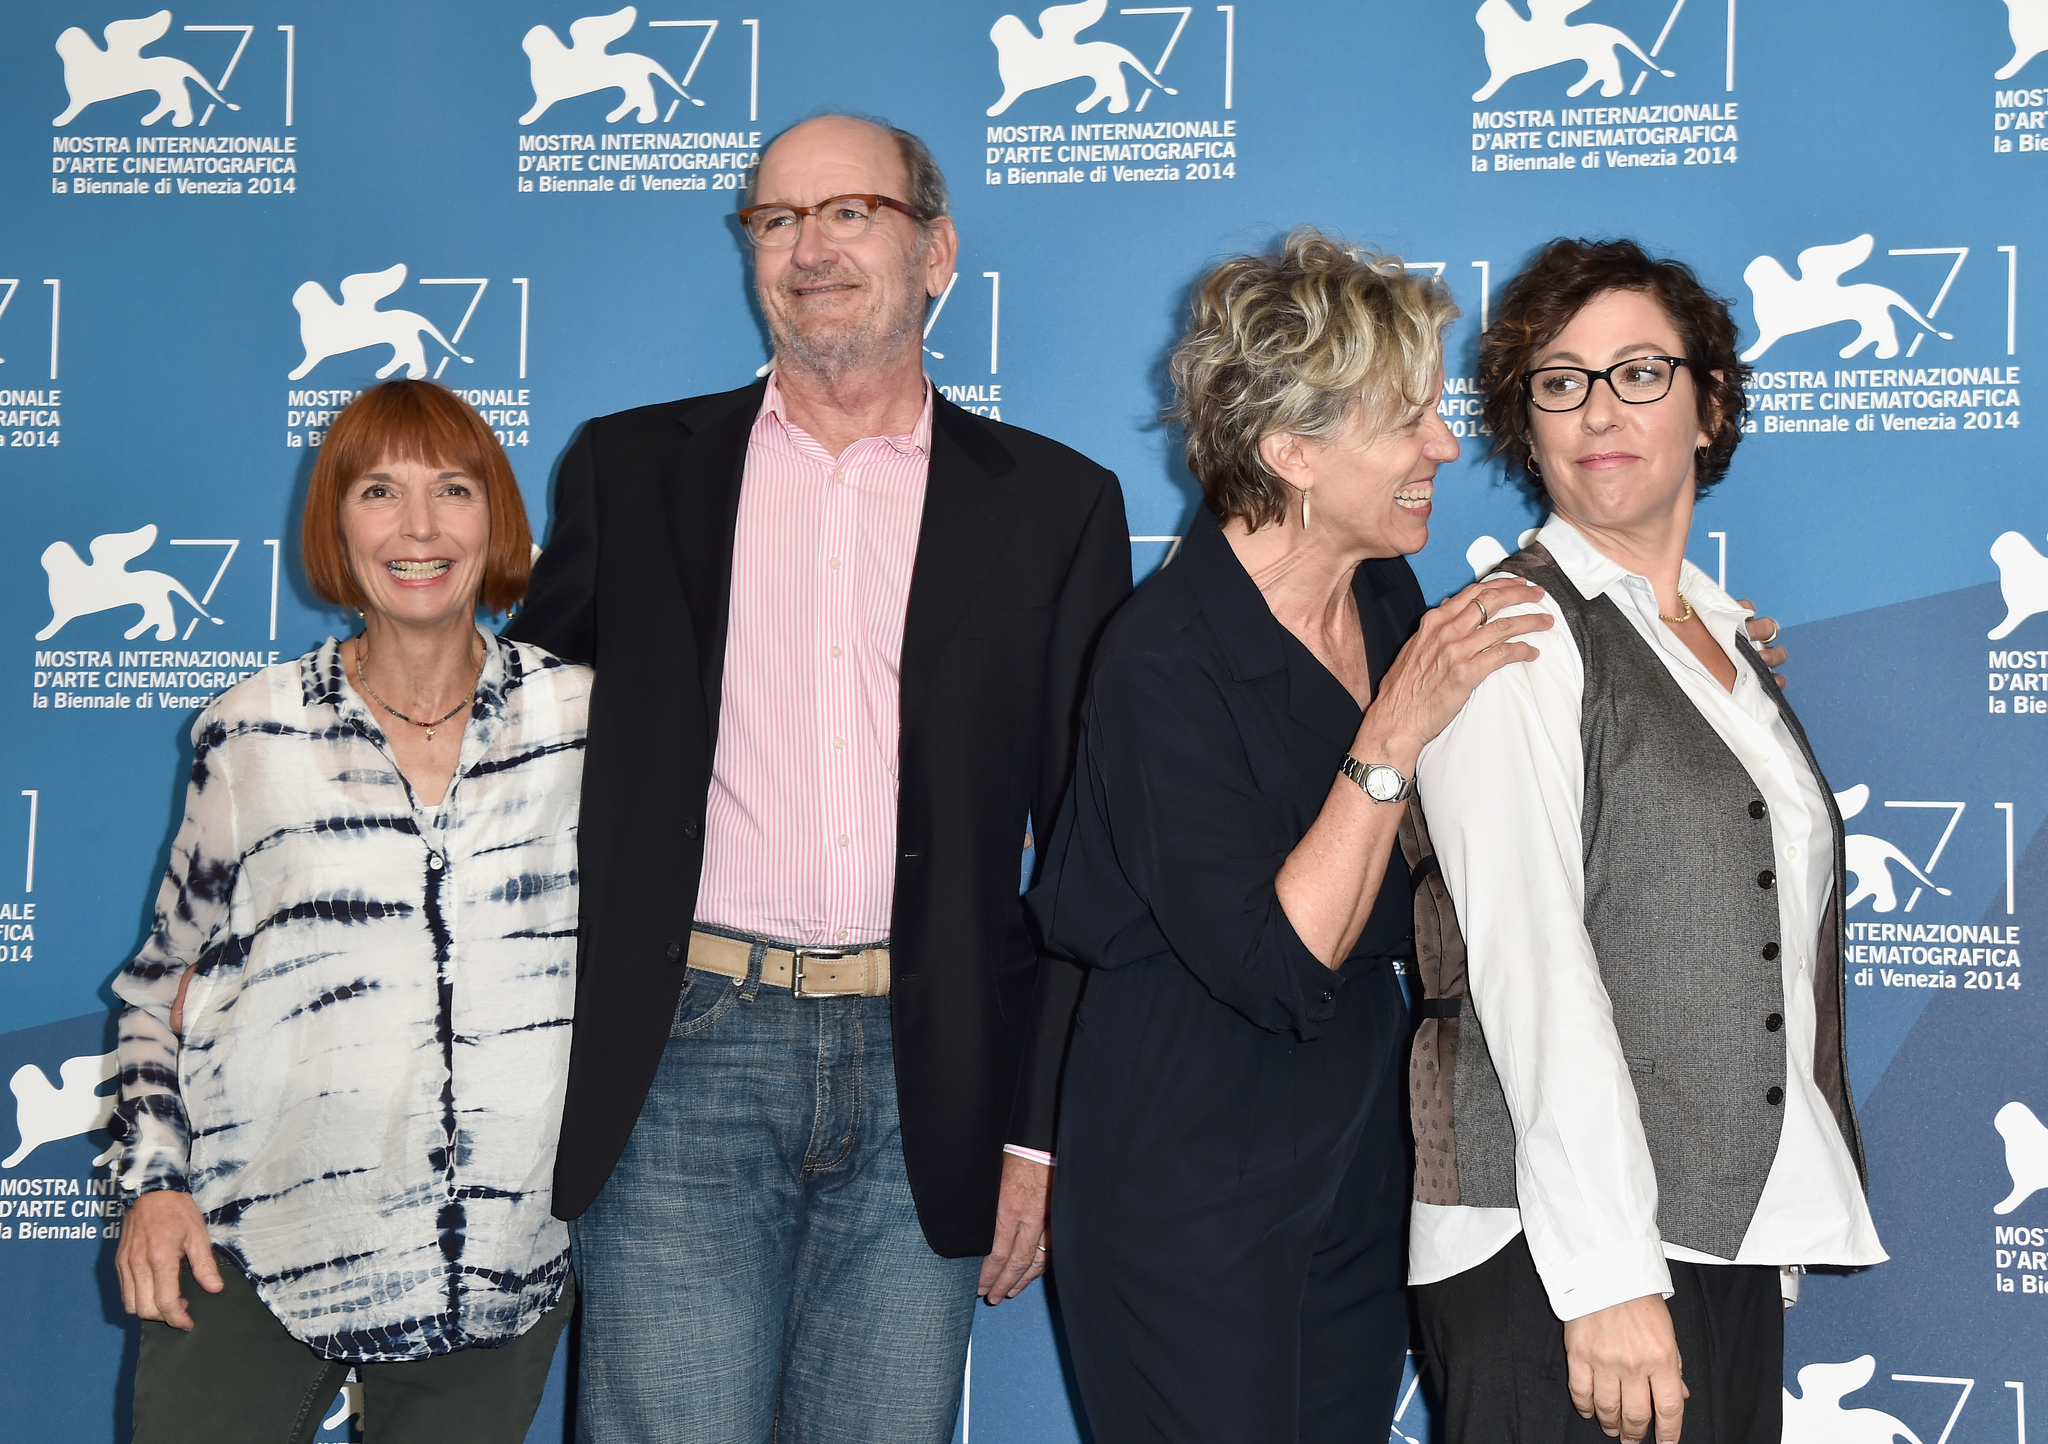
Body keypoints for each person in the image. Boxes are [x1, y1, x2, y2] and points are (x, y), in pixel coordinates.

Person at [504, 114, 1131, 1441]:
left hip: (936, 1079)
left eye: (850, 211)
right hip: (682, 1056)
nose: (808, 247)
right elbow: (514, 750)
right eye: (775, 219)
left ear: (936, 250)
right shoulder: (632, 471)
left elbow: (1087, 854)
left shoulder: (1056, 507)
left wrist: (1040, 1129)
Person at [1024, 229, 1558, 1443]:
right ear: (1289, 451)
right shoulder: (1160, 659)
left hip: (1359, 1150)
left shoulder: (1379, 592)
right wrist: (1391, 734)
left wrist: (1695, 651)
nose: (1445, 445)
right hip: (1188, 1166)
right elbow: (1277, 957)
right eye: (1406, 420)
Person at [1407, 237, 1883, 1444]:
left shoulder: (1721, 641)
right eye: (1558, 381)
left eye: (1637, 373)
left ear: (1708, 404)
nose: (1596, 411)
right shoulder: (1510, 637)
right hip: (1559, 1259)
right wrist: (1607, 1276)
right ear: (1525, 424)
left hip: (1710, 1239)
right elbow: (1529, 971)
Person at [110, 379, 590, 1443]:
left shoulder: (584, 723)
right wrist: (153, 1187)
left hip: (493, 1271)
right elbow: (155, 992)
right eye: (380, 491)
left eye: (452, 490)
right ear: (338, 524)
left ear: (495, 521)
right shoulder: (249, 733)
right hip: (253, 1244)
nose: (418, 527)